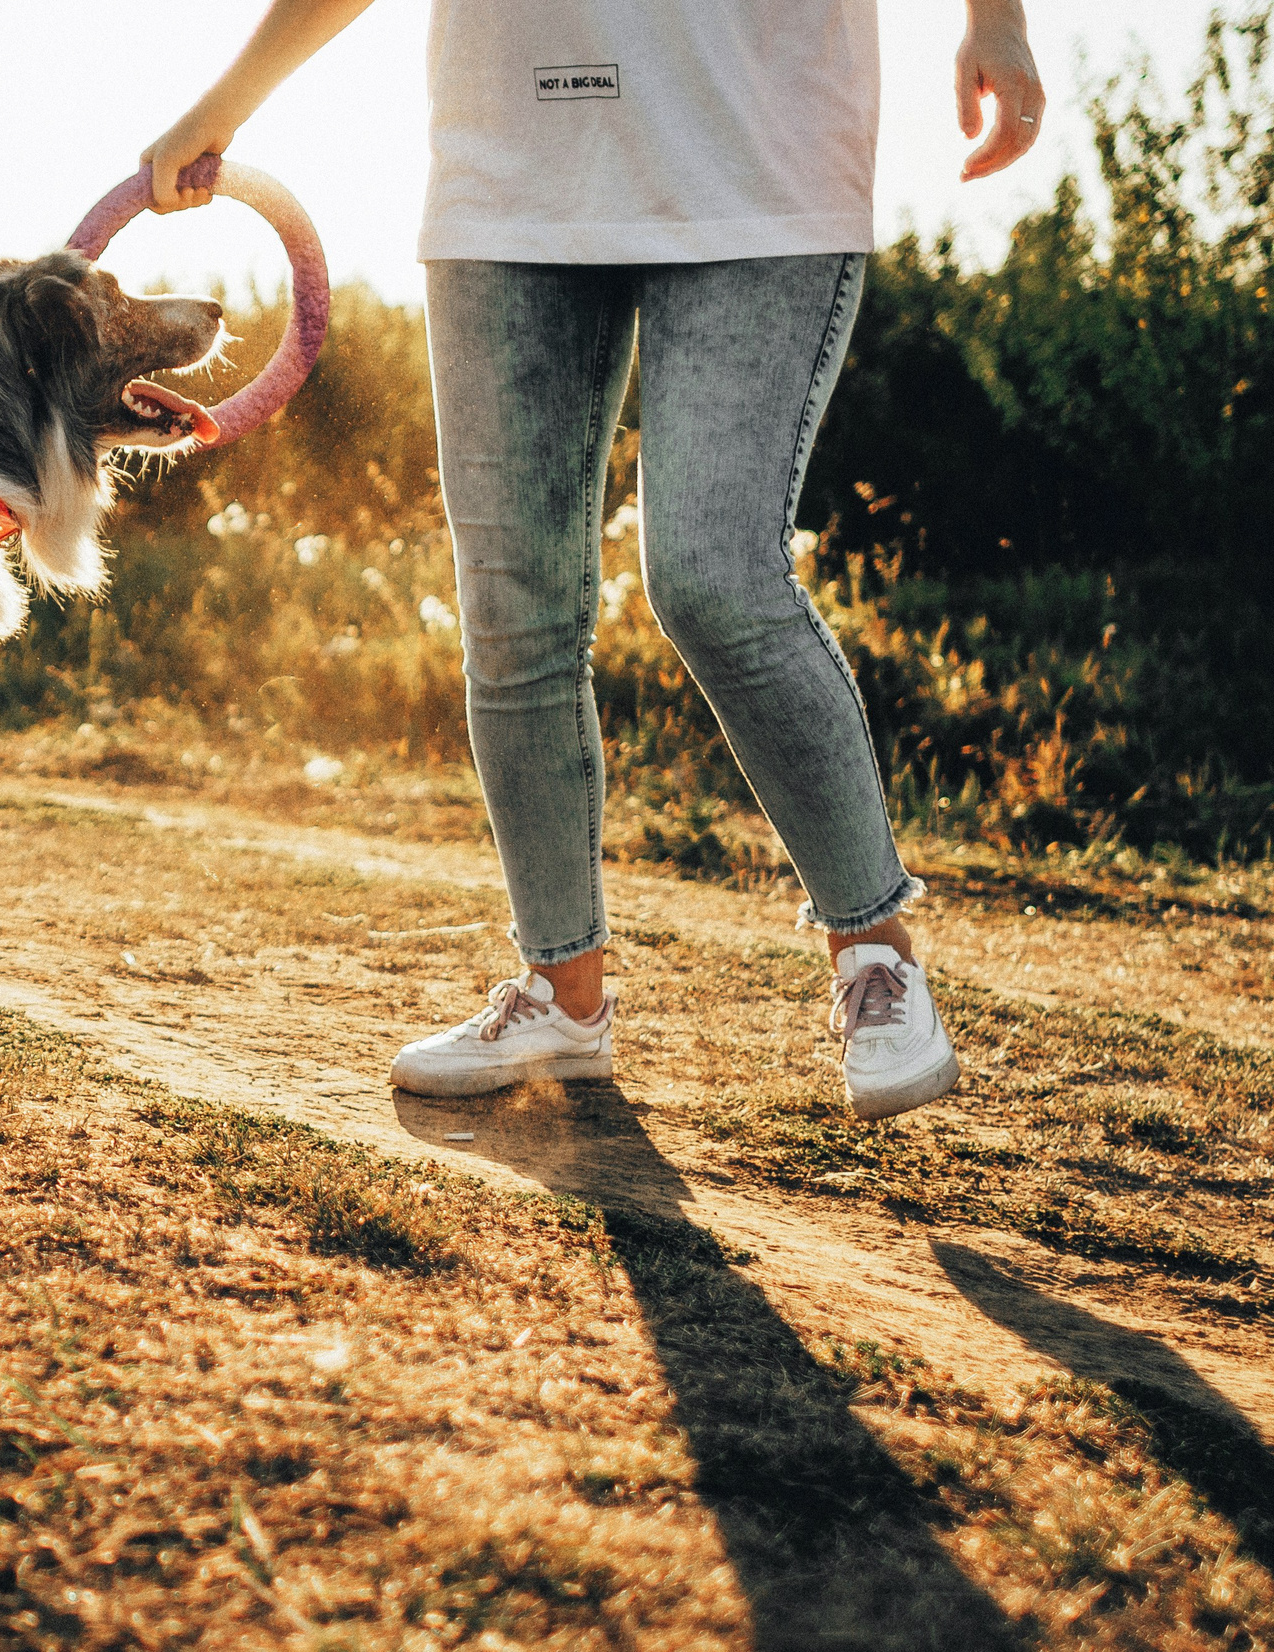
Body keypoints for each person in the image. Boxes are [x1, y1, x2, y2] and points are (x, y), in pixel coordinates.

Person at [142, 0, 1043, 1119]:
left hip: (756, 154)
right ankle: (562, 994)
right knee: (512, 608)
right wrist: (225, 102)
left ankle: (875, 949)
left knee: (715, 577)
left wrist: (994, 22)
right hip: (507, 169)